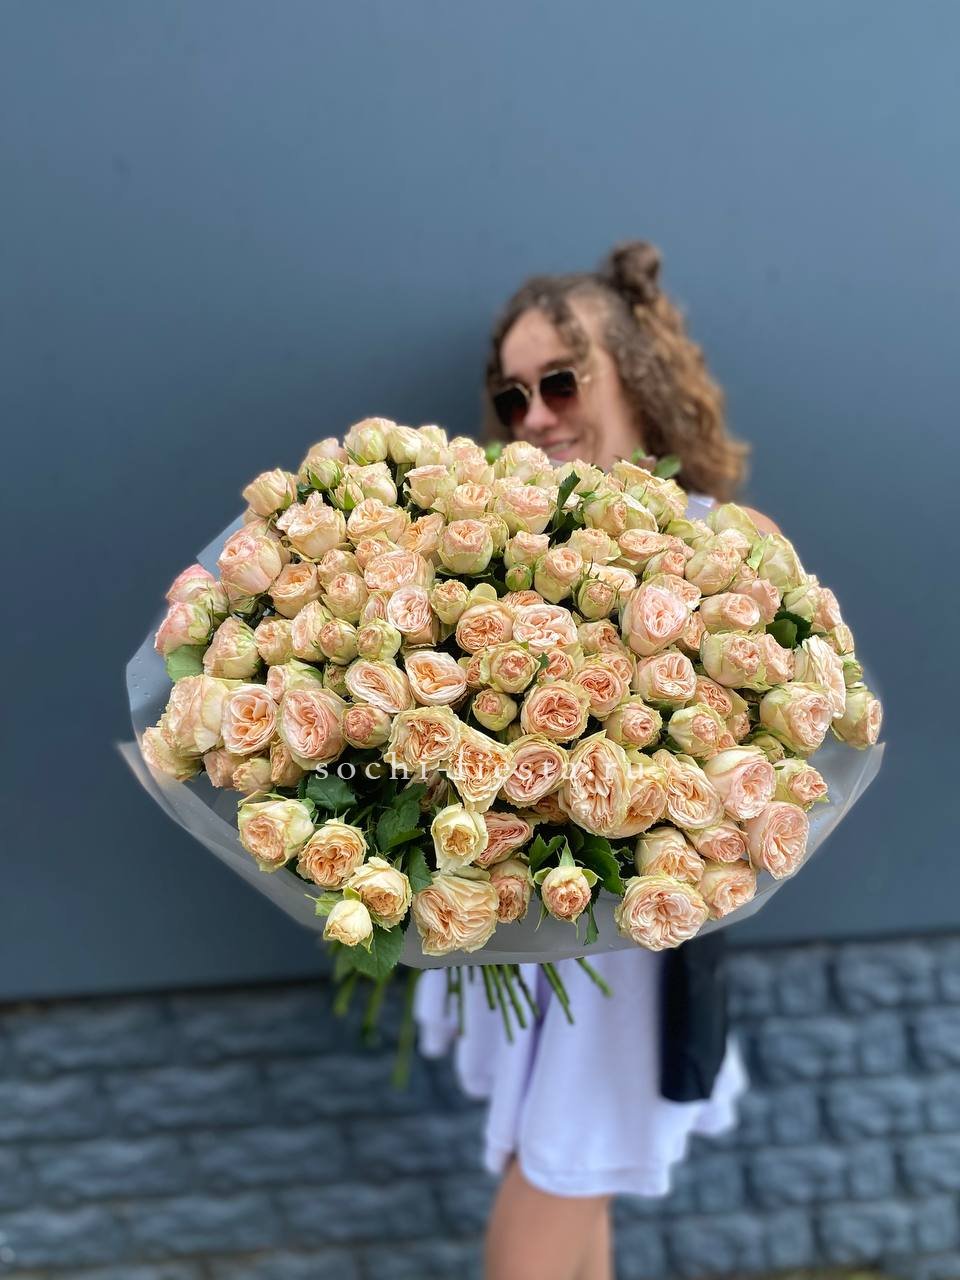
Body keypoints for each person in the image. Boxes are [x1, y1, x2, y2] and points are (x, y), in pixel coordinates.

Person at [414, 239, 781, 1280]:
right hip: (516, 920)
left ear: (635, 375)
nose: (534, 416)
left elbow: (773, 753)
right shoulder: (493, 545)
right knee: (568, 1182)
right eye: (513, 395)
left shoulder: (725, 543)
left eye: (562, 382)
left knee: (561, 1171)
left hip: (626, 947)